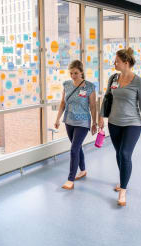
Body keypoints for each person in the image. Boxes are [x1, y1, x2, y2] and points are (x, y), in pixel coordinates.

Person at [98, 48, 141, 206]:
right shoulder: (113, 78)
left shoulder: (139, 82)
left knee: (124, 153)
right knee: (118, 154)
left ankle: (123, 190)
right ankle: (123, 180)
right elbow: (107, 98)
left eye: (117, 61)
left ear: (126, 63)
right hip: (114, 123)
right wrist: (101, 117)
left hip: (132, 124)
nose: (114, 63)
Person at [55, 60, 97, 190]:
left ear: (81, 72)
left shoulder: (89, 86)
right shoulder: (66, 85)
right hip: (69, 121)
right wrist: (57, 119)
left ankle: (70, 180)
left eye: (76, 73)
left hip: (83, 122)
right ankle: (83, 170)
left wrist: (94, 122)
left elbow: (93, 106)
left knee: (74, 149)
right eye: (71, 73)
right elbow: (63, 103)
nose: (73, 76)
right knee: (77, 147)